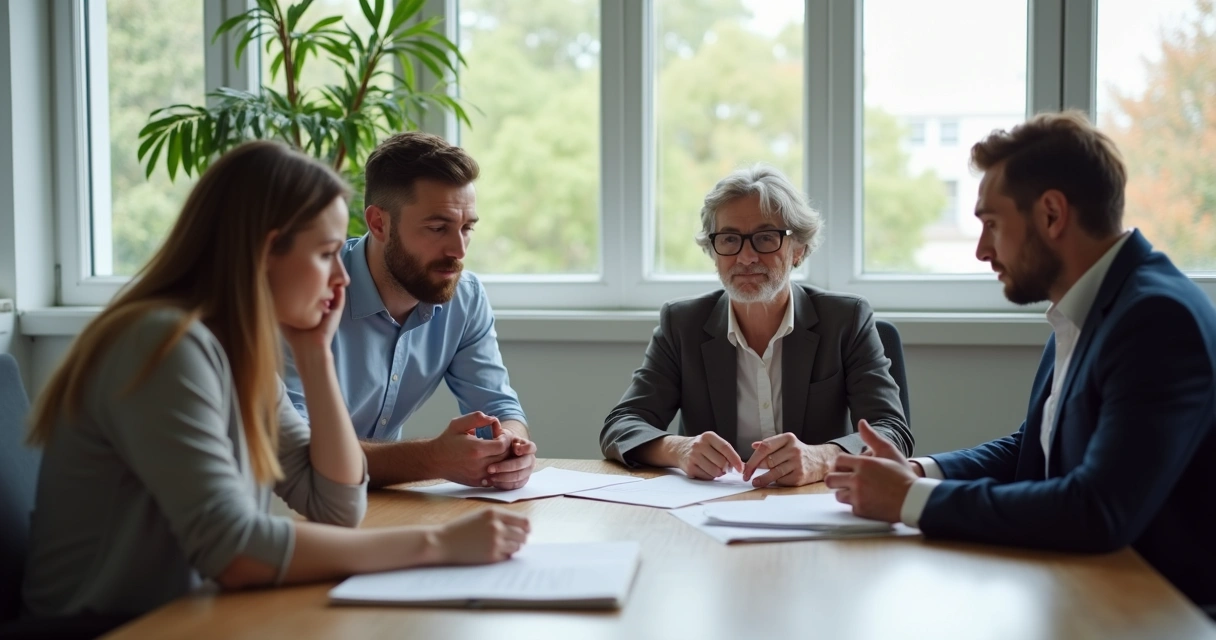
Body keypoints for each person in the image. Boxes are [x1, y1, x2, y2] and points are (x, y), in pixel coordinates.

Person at [21, 141, 529, 620]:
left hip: (186, 615)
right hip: (102, 628)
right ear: (267, 253)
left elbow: (336, 505)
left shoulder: (236, 347)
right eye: (327, 254)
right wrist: (436, 544)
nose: (343, 278)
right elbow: (235, 551)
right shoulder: (165, 344)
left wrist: (315, 355)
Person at [827, 111, 1216, 607]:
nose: (981, 250)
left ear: (1052, 214)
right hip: (1083, 586)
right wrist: (919, 472)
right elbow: (1032, 449)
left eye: (991, 223)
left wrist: (910, 499)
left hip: (1153, 610)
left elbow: (1097, 510)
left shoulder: (1155, 319)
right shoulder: (1087, 306)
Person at [601, 165, 912, 487]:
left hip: (813, 499)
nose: (746, 257)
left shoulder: (845, 320)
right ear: (713, 251)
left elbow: (892, 432)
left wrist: (822, 457)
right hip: (709, 503)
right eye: (729, 239)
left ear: (798, 249)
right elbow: (621, 426)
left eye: (765, 238)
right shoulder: (682, 324)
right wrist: (678, 449)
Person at [283, 132, 535, 491]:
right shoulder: (305, 295)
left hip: (379, 502)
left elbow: (499, 407)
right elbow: (296, 453)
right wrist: (431, 458)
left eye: (467, 228)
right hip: (285, 504)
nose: (459, 250)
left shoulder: (464, 297)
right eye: (438, 228)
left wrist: (509, 446)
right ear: (378, 224)